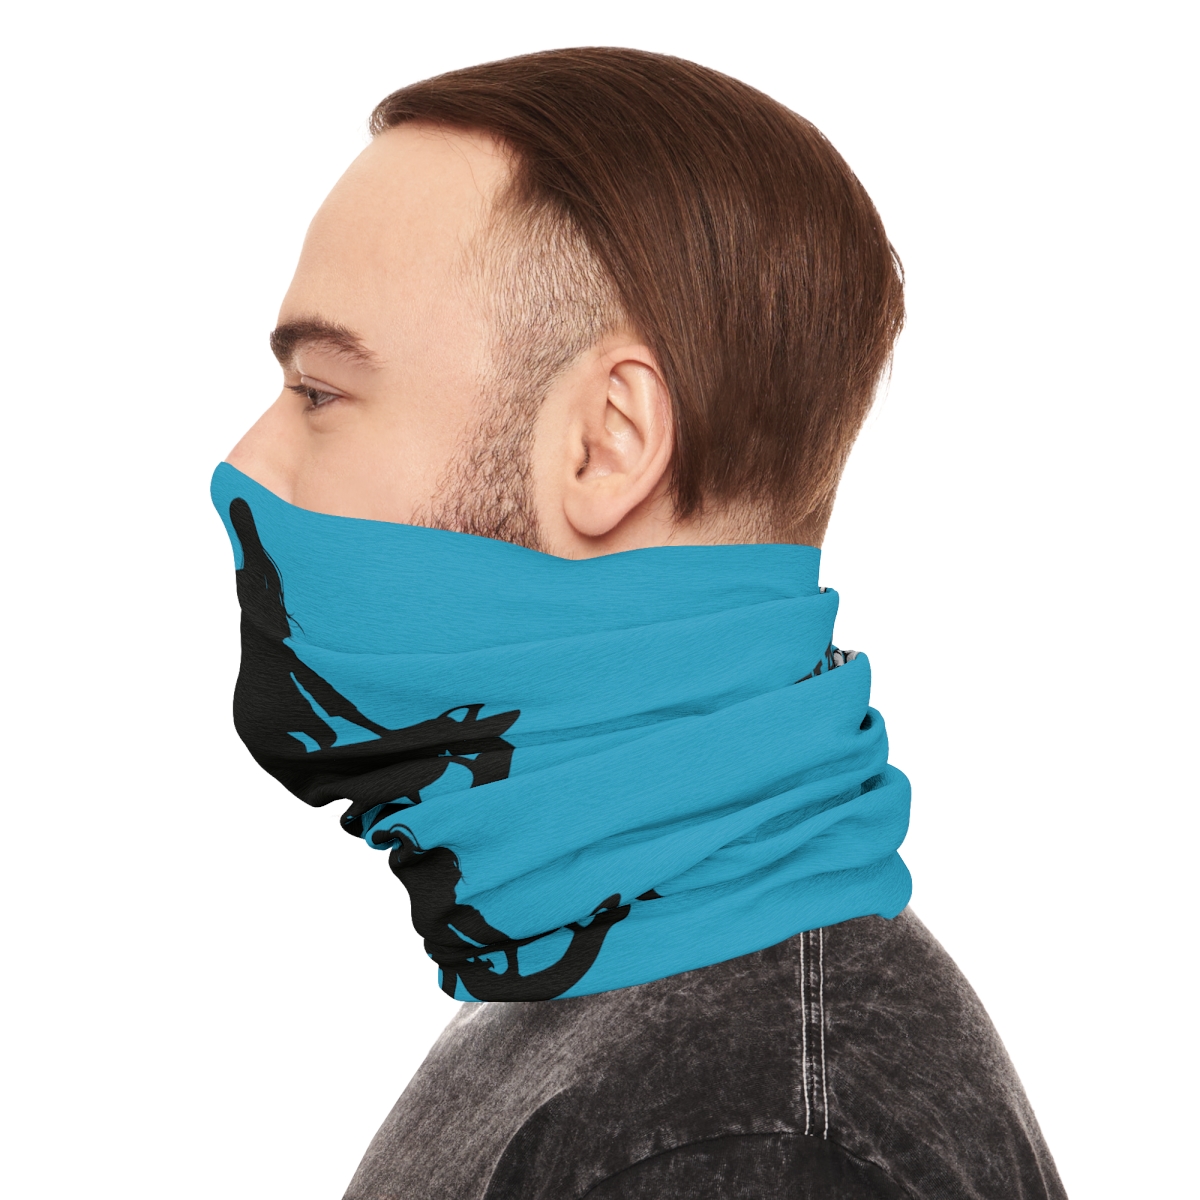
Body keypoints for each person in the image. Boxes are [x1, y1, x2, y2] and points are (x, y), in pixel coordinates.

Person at [215, 47, 1067, 1199]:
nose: (245, 464)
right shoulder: (609, 967)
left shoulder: (744, 1137)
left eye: (320, 391)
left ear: (606, 442)